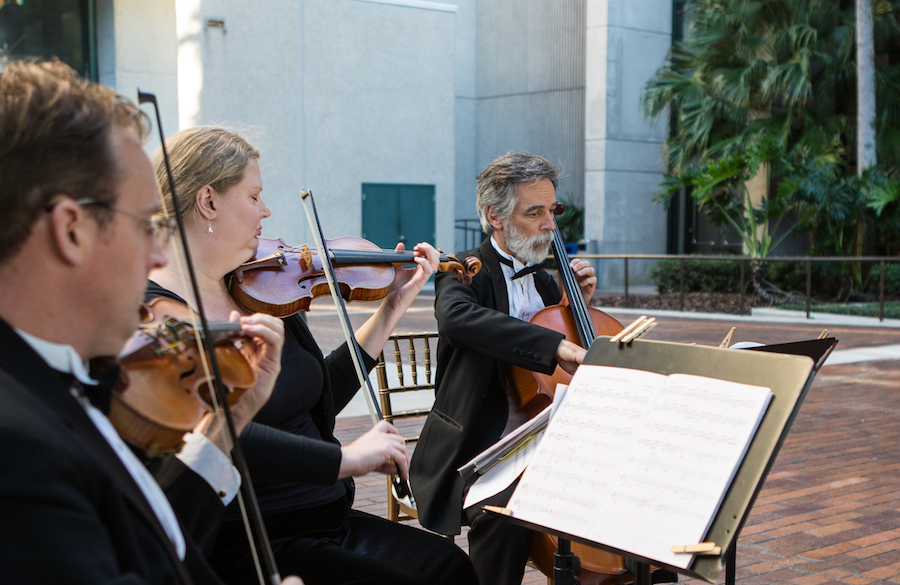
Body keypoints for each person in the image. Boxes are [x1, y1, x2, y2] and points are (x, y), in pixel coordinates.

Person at [0, 60, 301, 585]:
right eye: (146, 225)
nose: (155, 258)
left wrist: (224, 425)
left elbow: (148, 548)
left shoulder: (57, 379)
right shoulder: (17, 450)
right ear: (71, 230)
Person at [146, 126, 478, 585]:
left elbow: (315, 394)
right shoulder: (160, 313)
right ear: (208, 201)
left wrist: (392, 308)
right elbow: (222, 433)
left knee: (450, 566)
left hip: (327, 518)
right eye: (254, 196)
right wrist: (348, 460)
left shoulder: (256, 288)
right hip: (254, 538)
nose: (266, 211)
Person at [409, 152, 597, 585]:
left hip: (545, 442)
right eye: (535, 213)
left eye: (553, 211)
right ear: (495, 215)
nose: (550, 224)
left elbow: (556, 378)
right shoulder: (460, 272)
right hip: (479, 448)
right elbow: (459, 319)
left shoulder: (549, 280)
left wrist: (575, 310)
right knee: (505, 517)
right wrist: (556, 345)